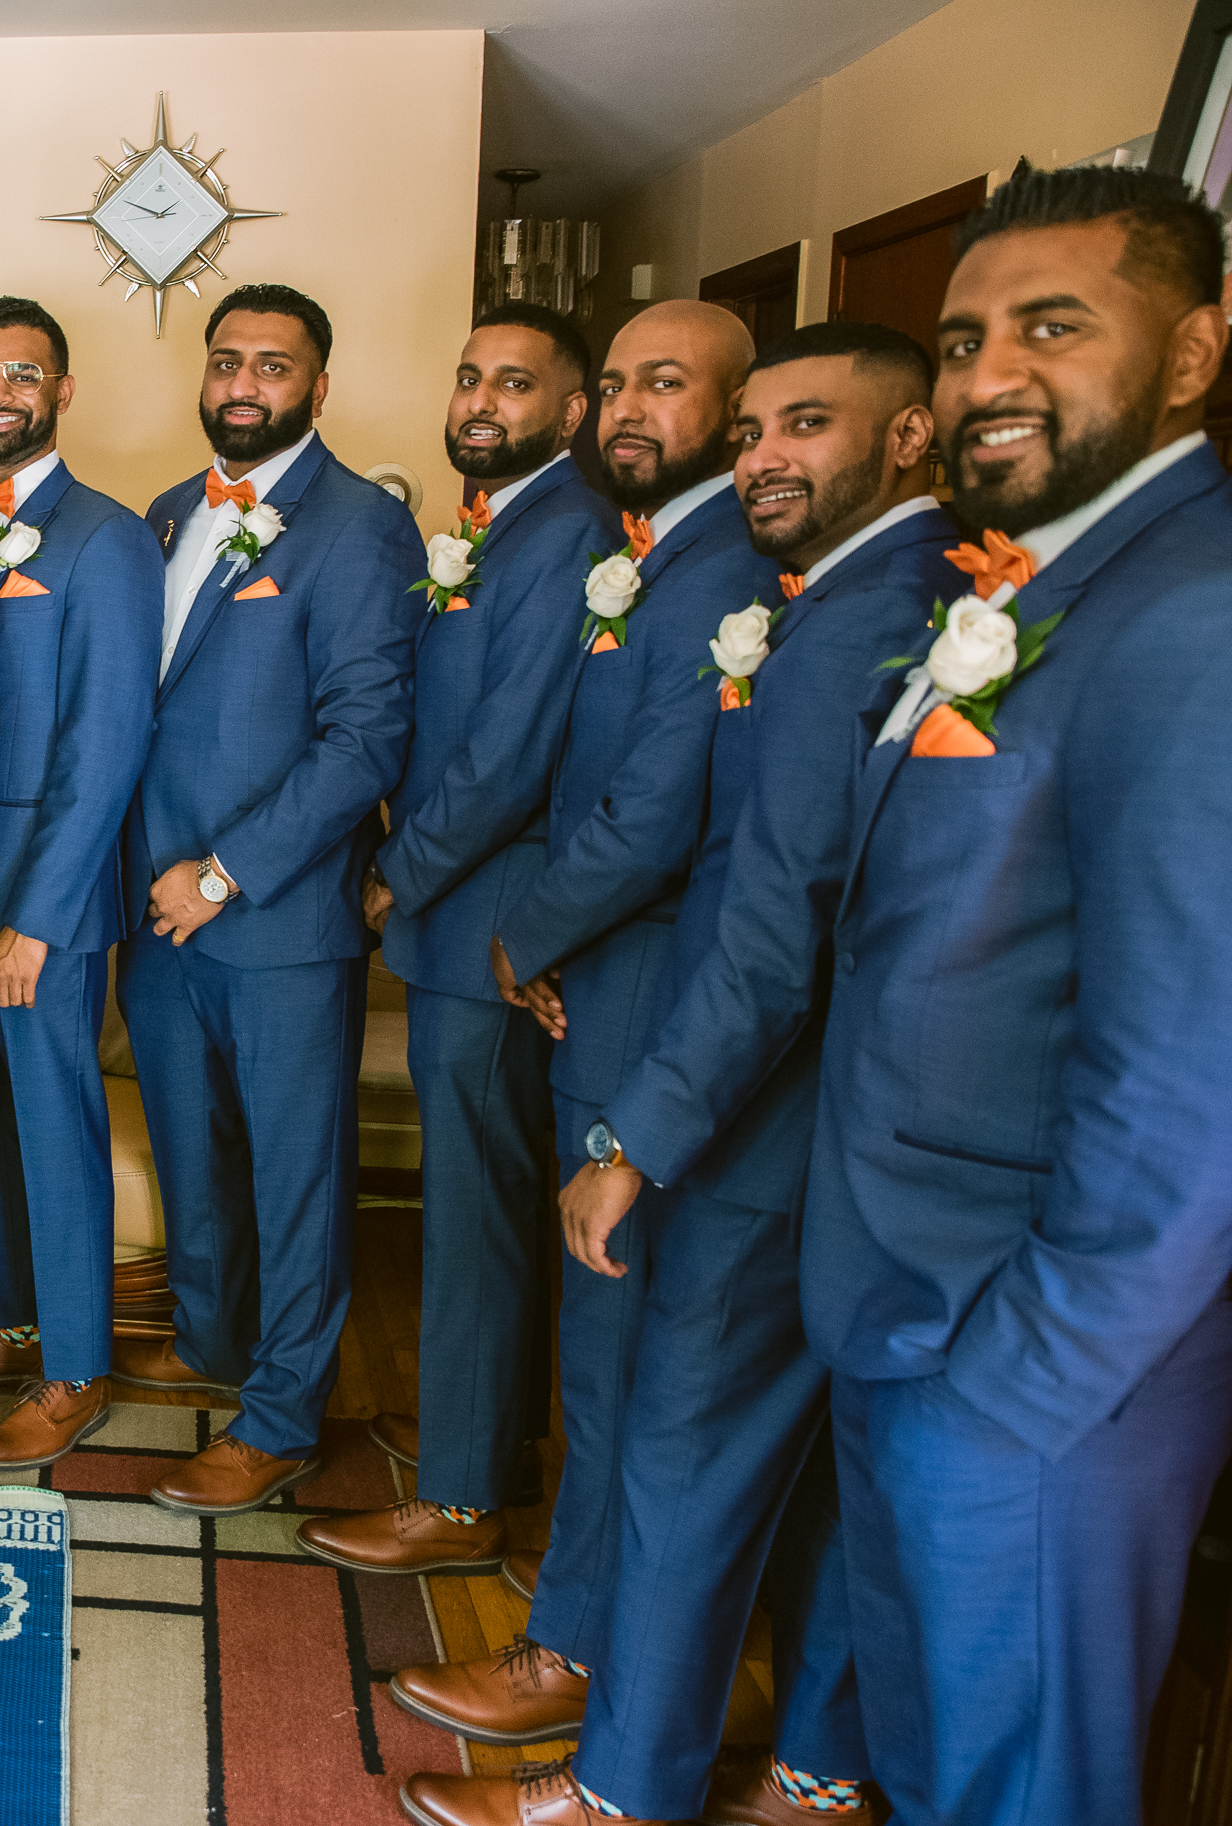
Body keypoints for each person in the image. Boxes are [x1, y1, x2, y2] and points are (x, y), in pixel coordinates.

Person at [403, 320, 954, 1826]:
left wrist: (610, 1078)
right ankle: (806, 1765)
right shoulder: (801, 584)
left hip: (716, 1073)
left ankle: (613, 1742)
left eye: (800, 423)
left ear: (908, 435)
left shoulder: (830, 607)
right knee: (732, 1434)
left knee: (662, 1414)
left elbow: (744, 887)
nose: (766, 452)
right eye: (758, 425)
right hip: (701, 1038)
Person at [806, 163, 1232, 1826]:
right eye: (966, 336)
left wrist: (1016, 1394)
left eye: (1052, 329)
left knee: (1020, 1787)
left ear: (1191, 353)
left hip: (1034, 1368)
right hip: (910, 1299)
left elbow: (1191, 1078)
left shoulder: (1192, 616)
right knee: (936, 1767)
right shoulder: (1028, 585)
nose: (988, 373)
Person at [387, 299, 776, 1752]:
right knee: (595, 1328)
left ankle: (568, 1637)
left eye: (660, 384)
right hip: (587, 971)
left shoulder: (712, 569)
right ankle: (559, 1582)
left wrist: (518, 929)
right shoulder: (648, 553)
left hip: (633, 989)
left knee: (614, 1340)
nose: (627, 408)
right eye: (619, 382)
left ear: (733, 412)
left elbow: (643, 807)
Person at [300, 302, 612, 1581]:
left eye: (516, 383)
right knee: (487, 1198)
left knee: (475, 1214)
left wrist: (395, 874)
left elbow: (509, 754)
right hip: (468, 918)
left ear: (572, 411)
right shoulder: (498, 523)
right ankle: (493, 1435)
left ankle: (465, 1497)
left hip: (488, 922)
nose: (482, 400)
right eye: (471, 375)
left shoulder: (566, 530)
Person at [113, 283, 418, 1515]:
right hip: (155, 915)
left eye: (273, 365)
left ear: (318, 385)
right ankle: (212, 1339)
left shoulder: (361, 527)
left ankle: (284, 1414)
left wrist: (225, 870)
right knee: (193, 1155)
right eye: (228, 361)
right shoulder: (166, 512)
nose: (244, 384)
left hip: (276, 916)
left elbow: (365, 738)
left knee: (296, 1179)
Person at [0, 296, 161, 1470]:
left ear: (62, 392)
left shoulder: (106, 538)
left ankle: (75, 1364)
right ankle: (11, 1317)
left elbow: (105, 743)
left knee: (52, 1121)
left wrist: (34, 918)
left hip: (45, 898)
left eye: (22, 373)